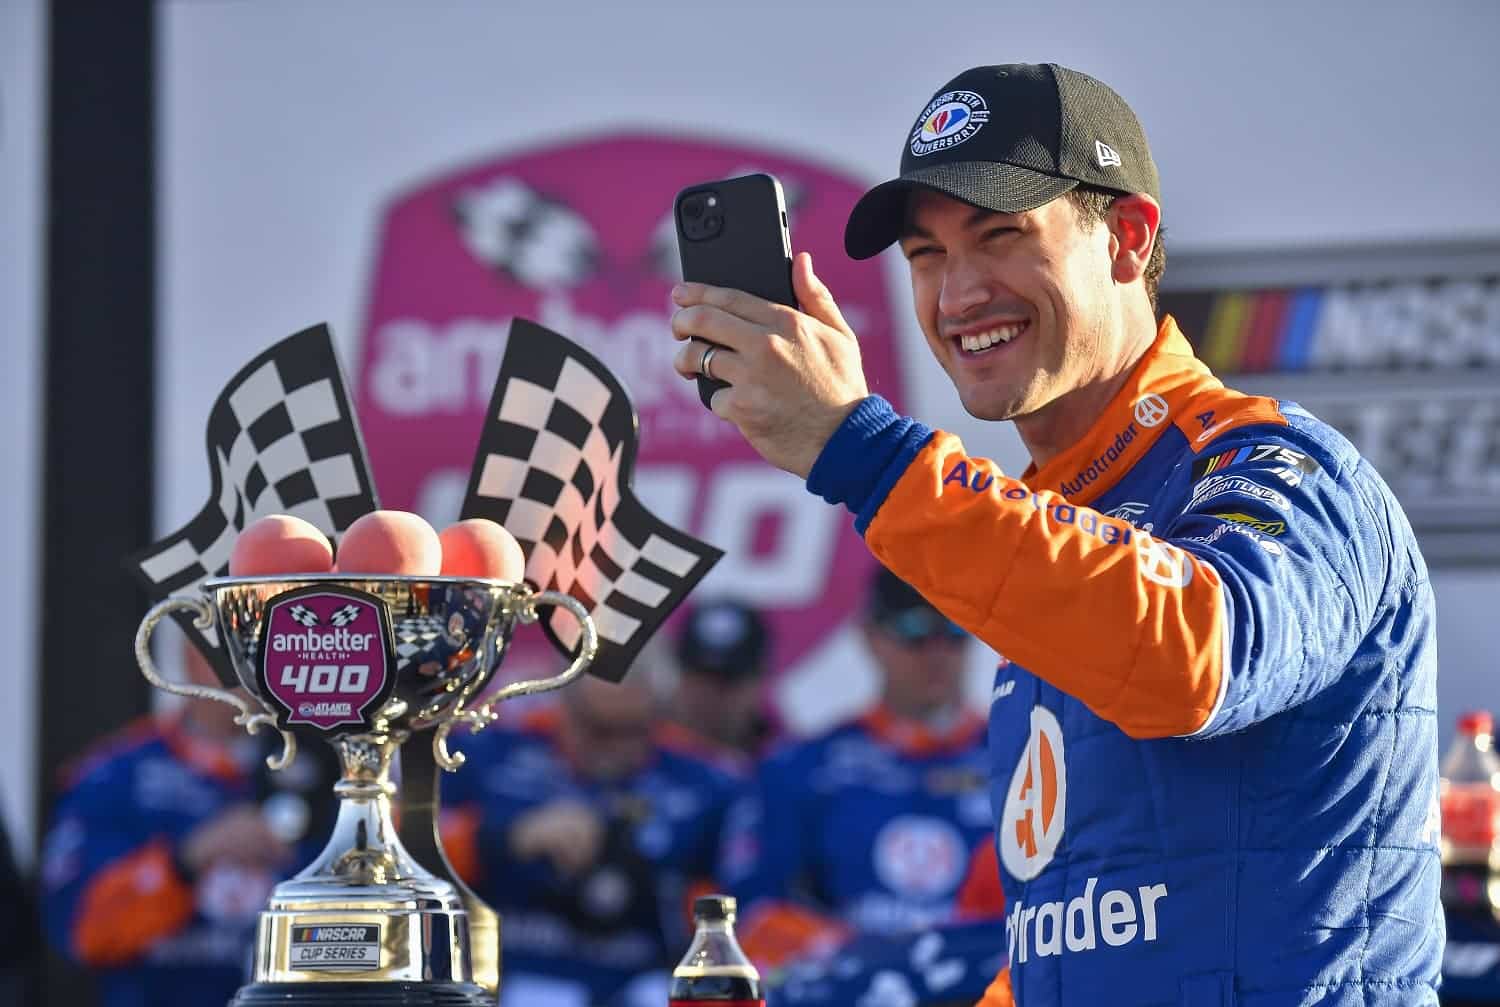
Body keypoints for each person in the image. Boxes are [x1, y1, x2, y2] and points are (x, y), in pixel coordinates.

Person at [669, 62, 1441, 1005]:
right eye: (926, 256)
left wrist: (860, 450)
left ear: (1127, 237)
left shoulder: (1281, 463)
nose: (957, 296)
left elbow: (1192, 654)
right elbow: (1050, 947)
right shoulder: (1030, 550)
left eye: (999, 237)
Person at [718, 566, 995, 995]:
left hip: (984, 984)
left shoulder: (1022, 759)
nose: (938, 651)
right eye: (914, 630)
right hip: (857, 985)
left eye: (956, 629)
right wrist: (863, 957)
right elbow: (752, 912)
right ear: (870, 636)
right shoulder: (803, 767)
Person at [39, 641, 330, 1007]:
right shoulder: (115, 775)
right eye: (226, 654)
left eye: (257, 651)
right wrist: (186, 861)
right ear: (190, 658)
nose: (244, 672)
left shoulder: (326, 770)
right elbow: (81, 931)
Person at [440, 668, 740, 1007]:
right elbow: (412, 854)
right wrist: (504, 838)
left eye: (633, 730)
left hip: (639, 979)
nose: (615, 747)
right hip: (510, 968)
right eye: (599, 729)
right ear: (563, 710)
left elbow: (739, 905)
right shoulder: (486, 753)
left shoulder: (708, 784)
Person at [663, 598, 774, 767]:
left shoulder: (788, 761)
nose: (710, 695)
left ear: (758, 681)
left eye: (727, 680)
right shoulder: (639, 757)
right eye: (700, 677)